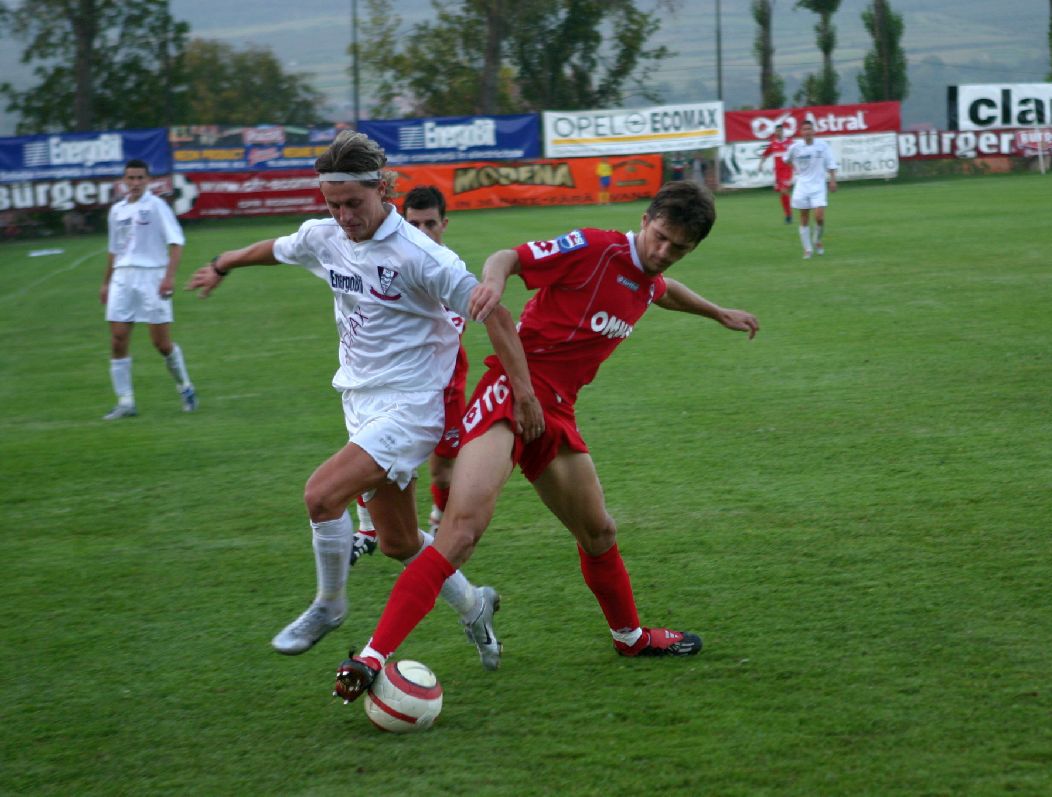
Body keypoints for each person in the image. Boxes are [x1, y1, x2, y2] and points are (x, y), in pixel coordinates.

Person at [332, 180, 760, 703]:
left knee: (599, 532)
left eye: (679, 248)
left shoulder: (649, 278)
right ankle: (370, 658)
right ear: (645, 221)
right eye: (661, 238)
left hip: (556, 413)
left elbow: (662, 290)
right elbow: (508, 257)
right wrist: (492, 285)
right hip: (510, 394)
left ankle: (630, 637)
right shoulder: (596, 247)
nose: (664, 252)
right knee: (461, 534)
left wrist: (718, 313)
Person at [185, 131, 543, 670]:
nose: (345, 216)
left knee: (321, 496)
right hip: (360, 403)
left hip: (411, 407)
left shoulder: (422, 255)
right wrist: (222, 263)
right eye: (334, 204)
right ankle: (475, 605)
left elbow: (494, 313)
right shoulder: (325, 235)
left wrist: (524, 394)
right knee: (399, 542)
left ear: (383, 189)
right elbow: (277, 249)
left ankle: (329, 604)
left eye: (354, 203)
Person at [350, 185, 468, 561]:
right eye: (414, 224)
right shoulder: (385, 262)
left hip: (445, 385)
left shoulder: (447, 269)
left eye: (430, 223)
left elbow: (448, 331)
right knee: (371, 451)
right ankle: (367, 527)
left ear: (444, 224)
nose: (422, 231)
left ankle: (440, 523)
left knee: (443, 472)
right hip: (397, 383)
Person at [100, 159, 197, 419]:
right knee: (118, 339)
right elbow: (114, 250)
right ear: (124, 181)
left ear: (148, 180)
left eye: (140, 178)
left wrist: (168, 278)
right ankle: (125, 402)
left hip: (152, 277)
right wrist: (106, 282)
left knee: (161, 344)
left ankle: (185, 387)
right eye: (130, 178)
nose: (135, 183)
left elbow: (177, 243)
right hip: (122, 278)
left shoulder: (156, 206)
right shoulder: (117, 210)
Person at [783, 120, 838, 259]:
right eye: (804, 129)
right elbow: (786, 159)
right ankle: (807, 249)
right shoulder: (795, 147)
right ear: (801, 132)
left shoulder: (822, 146)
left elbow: (831, 163)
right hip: (802, 186)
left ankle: (817, 240)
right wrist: (796, 170)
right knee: (804, 218)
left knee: (819, 218)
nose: (807, 131)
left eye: (809, 129)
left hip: (818, 186)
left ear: (813, 131)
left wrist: (832, 180)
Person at [757, 123, 795, 223]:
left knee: (784, 190)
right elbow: (765, 154)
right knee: (782, 193)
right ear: (775, 132)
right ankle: (788, 214)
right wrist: (760, 164)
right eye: (777, 131)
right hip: (778, 172)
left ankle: (789, 215)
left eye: (780, 131)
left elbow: (797, 153)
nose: (778, 133)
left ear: (783, 131)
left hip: (787, 171)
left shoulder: (790, 142)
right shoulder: (773, 144)